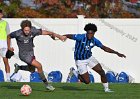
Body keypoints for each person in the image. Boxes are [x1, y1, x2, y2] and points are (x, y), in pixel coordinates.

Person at [64, 23, 126, 92]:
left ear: (94, 33)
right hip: (80, 60)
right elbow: (69, 36)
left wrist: (117, 53)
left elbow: (104, 48)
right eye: (88, 33)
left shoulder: (95, 40)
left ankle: (106, 89)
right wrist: (60, 36)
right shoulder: (80, 37)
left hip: (89, 58)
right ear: (86, 32)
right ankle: (74, 72)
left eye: (91, 33)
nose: (89, 35)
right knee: (87, 82)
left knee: (102, 72)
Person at [7, 20, 67, 91]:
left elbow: (47, 32)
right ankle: (47, 84)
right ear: (22, 29)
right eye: (25, 30)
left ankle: (19, 67)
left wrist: (59, 36)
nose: (27, 32)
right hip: (23, 55)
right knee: (39, 66)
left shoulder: (33, 31)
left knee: (32, 70)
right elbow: (8, 36)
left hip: (31, 53)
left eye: (28, 30)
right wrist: (9, 47)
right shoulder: (17, 33)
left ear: (30, 28)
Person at [0, 9, 11, 82]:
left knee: (6, 61)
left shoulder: (5, 23)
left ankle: (8, 79)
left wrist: (9, 46)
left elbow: (8, 35)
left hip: (4, 45)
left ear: (2, 15)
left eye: (0, 14)